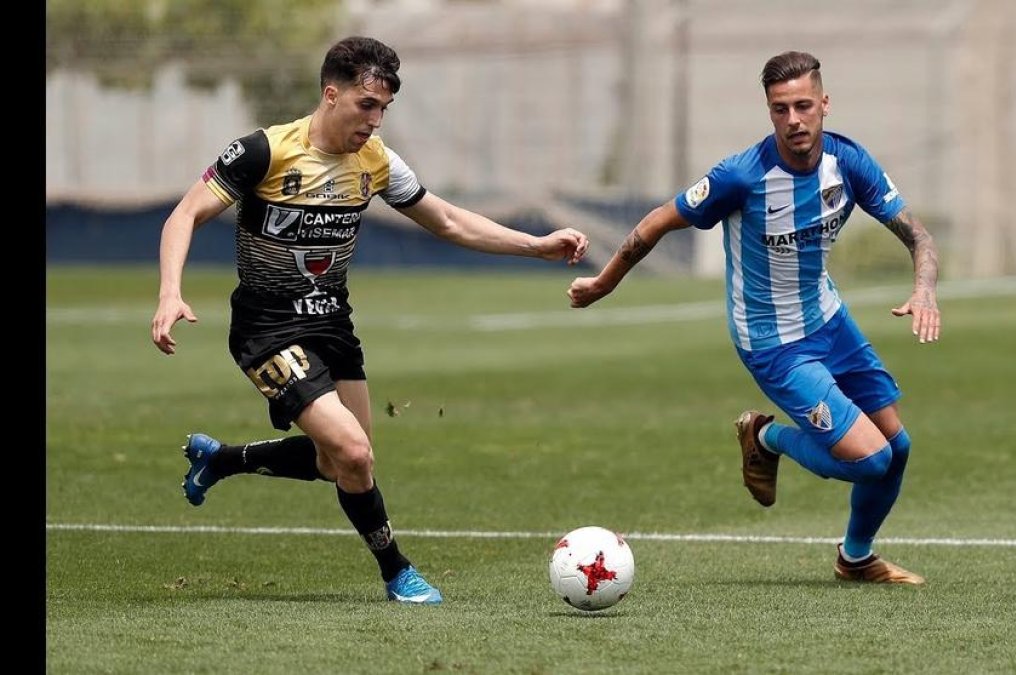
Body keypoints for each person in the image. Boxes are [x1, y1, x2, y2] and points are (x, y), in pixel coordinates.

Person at [151, 36, 589, 605]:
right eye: (366, 105)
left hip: (333, 323)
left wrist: (537, 245)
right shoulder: (264, 151)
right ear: (331, 95)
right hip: (267, 328)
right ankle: (397, 572)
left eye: (383, 109)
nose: (375, 121)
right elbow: (184, 215)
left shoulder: (375, 161)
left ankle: (222, 459)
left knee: (339, 464)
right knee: (355, 455)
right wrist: (169, 293)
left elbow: (449, 221)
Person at [567, 50, 938, 584]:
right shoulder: (741, 176)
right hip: (773, 342)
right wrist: (604, 283)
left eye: (803, 106)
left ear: (824, 105)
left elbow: (918, 235)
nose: (793, 120)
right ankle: (765, 438)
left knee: (897, 448)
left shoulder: (849, 163)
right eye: (780, 109)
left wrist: (924, 290)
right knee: (871, 459)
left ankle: (855, 558)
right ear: (769, 112)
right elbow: (657, 222)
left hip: (829, 320)